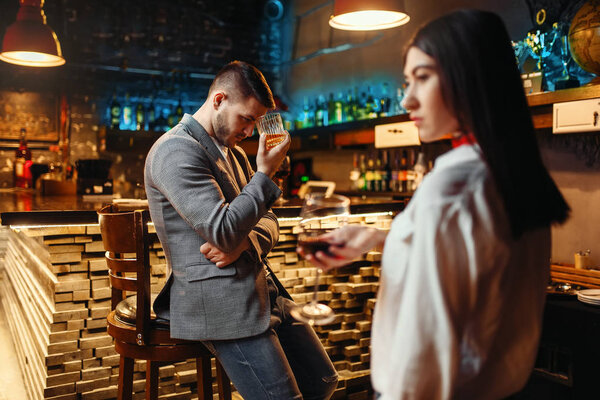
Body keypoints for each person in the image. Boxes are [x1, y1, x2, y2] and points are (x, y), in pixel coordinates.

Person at [300, 9, 570, 400]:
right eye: (407, 81)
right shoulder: (511, 172)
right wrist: (377, 238)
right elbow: (469, 259)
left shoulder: (453, 186)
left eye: (422, 78)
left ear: (469, 76)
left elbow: (423, 344)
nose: (407, 99)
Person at [145, 61, 338, 400]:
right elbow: (222, 232)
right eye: (246, 118)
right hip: (219, 300)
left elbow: (269, 218)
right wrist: (265, 175)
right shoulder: (175, 150)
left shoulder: (232, 151)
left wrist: (245, 242)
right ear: (218, 100)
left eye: (256, 121)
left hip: (261, 287)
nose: (250, 131)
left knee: (323, 380)